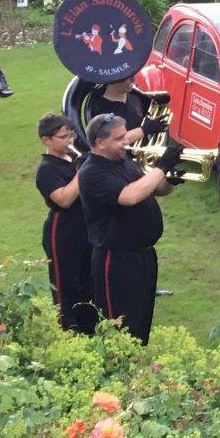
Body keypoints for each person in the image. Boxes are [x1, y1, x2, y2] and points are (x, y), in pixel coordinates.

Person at [77, 113, 178, 345]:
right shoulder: (92, 172)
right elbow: (131, 196)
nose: (126, 141)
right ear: (99, 142)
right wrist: (161, 167)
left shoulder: (124, 161)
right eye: (119, 138)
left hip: (143, 254)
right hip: (117, 258)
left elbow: (154, 189)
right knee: (120, 322)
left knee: (142, 316)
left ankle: (137, 371)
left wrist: (170, 179)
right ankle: (118, 371)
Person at [34, 113, 95, 335]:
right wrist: (82, 172)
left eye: (70, 135)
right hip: (63, 231)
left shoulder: (73, 157)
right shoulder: (46, 169)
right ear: (46, 140)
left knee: (89, 278)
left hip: (86, 226)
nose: (69, 141)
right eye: (63, 137)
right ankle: (68, 330)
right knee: (66, 283)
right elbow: (63, 199)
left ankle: (89, 327)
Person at [81, 76, 159, 150]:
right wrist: (144, 130)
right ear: (115, 79)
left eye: (133, 76)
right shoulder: (101, 108)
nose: (133, 81)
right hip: (118, 160)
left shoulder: (135, 95)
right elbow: (110, 142)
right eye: (128, 78)